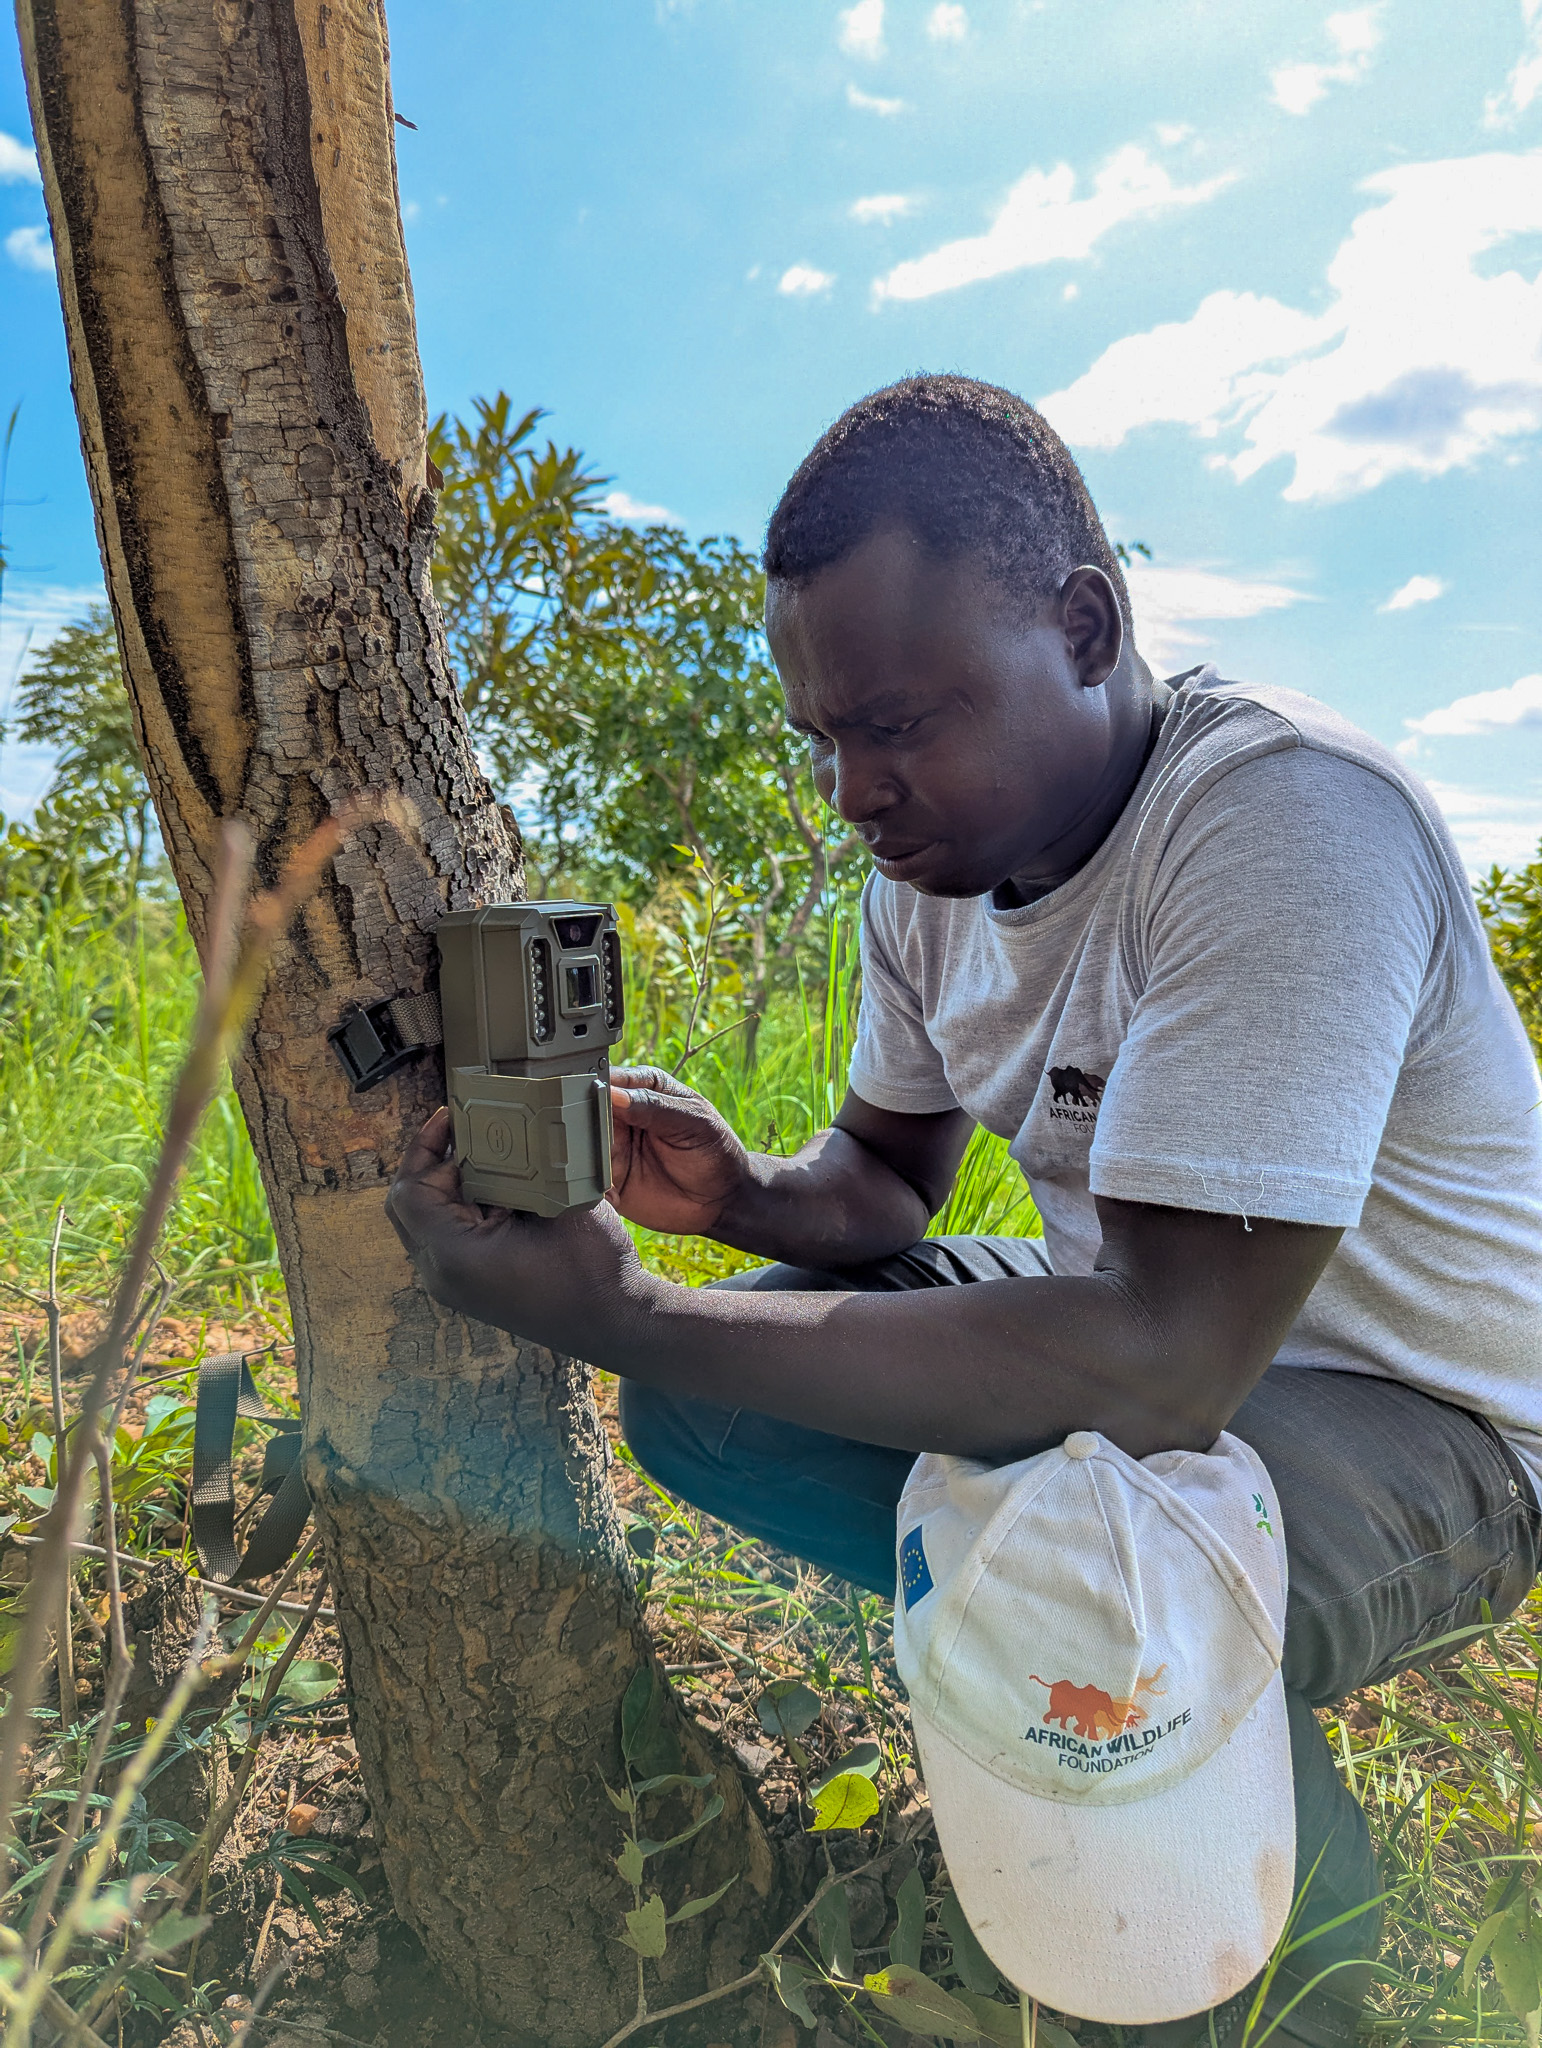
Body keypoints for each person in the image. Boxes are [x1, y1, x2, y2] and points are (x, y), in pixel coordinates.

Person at [387, 375, 1542, 2046]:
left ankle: (1286, 1975)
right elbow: (884, 1181)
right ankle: (1081, 1683)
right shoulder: (926, 879)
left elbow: (1160, 1370)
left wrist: (613, 1308)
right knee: (711, 1410)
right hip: (1146, 1323)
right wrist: (741, 1200)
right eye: (828, 739)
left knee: (1105, 1540)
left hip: (1436, 1415)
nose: (856, 789)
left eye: (904, 722)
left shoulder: (1281, 824)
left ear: (1082, 626)